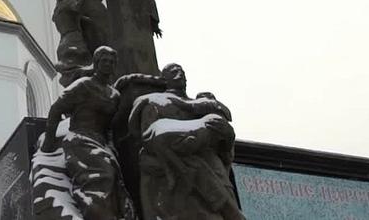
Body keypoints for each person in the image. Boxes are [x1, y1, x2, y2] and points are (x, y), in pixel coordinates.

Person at [128, 63, 244, 220]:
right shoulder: (155, 102)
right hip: (176, 167)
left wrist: (226, 139)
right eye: (174, 72)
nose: (180, 74)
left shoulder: (204, 105)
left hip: (210, 162)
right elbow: (148, 138)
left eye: (182, 71)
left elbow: (225, 143)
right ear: (165, 79)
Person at [40, 46, 135, 220]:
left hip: (101, 142)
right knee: (103, 175)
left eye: (111, 62)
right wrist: (49, 140)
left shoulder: (114, 95)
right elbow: (56, 109)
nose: (108, 64)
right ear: (96, 63)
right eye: (104, 60)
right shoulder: (84, 85)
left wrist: (111, 147)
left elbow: (109, 127)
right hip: (80, 138)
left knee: (116, 182)